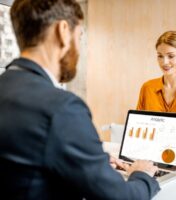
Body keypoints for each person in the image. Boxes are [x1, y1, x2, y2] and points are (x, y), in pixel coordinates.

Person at [0, 0, 160, 199]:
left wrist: (89, 161)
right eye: (79, 36)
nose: (79, 48)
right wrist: (142, 174)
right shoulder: (62, 108)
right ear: (63, 31)